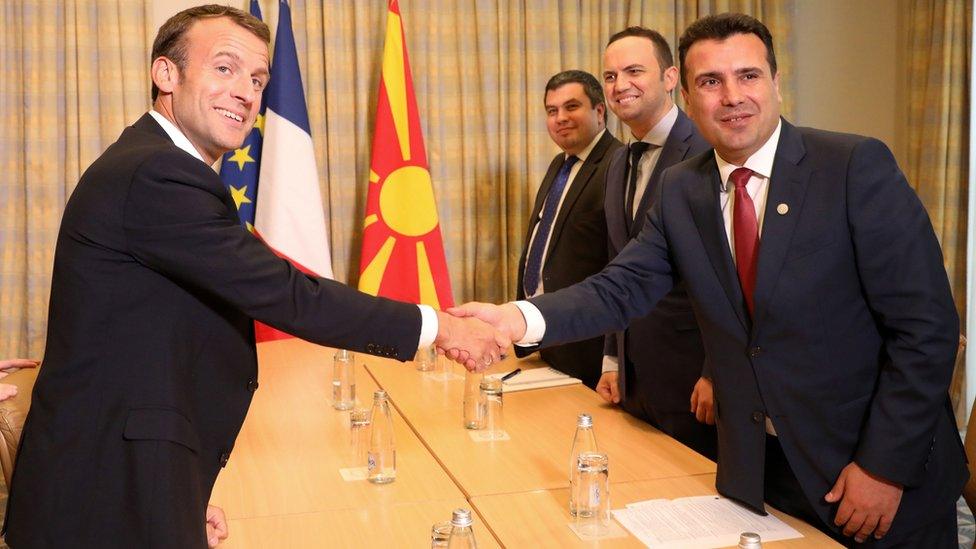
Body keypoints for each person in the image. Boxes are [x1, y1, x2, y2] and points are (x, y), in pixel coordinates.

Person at [451, 13, 966, 547]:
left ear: (776, 84)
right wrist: (516, 318)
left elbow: (925, 330)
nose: (732, 97)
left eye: (748, 76)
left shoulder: (853, 166)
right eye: (711, 82)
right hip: (757, 473)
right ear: (689, 98)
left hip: (871, 476)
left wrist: (883, 467)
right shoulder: (682, 188)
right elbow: (621, 287)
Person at [3, 6, 505, 548]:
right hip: (99, 502)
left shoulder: (156, 164)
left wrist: (181, 494)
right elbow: (288, 295)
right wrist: (444, 329)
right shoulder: (155, 173)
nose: (246, 91)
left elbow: (152, 348)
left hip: (126, 478)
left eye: (258, 78)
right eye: (225, 68)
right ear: (166, 75)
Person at [596, 27, 715, 459]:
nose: (619, 85)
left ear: (669, 79)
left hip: (694, 383)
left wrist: (716, 373)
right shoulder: (618, 161)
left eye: (633, 71)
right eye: (610, 76)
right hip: (634, 379)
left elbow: (729, 277)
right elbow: (616, 267)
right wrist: (613, 359)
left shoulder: (706, 151)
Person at [515, 70, 622, 389]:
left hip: (588, 350)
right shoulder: (560, 165)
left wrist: (612, 360)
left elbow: (621, 266)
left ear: (599, 111)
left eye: (571, 107)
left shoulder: (618, 164)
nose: (560, 118)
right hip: (548, 340)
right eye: (552, 110)